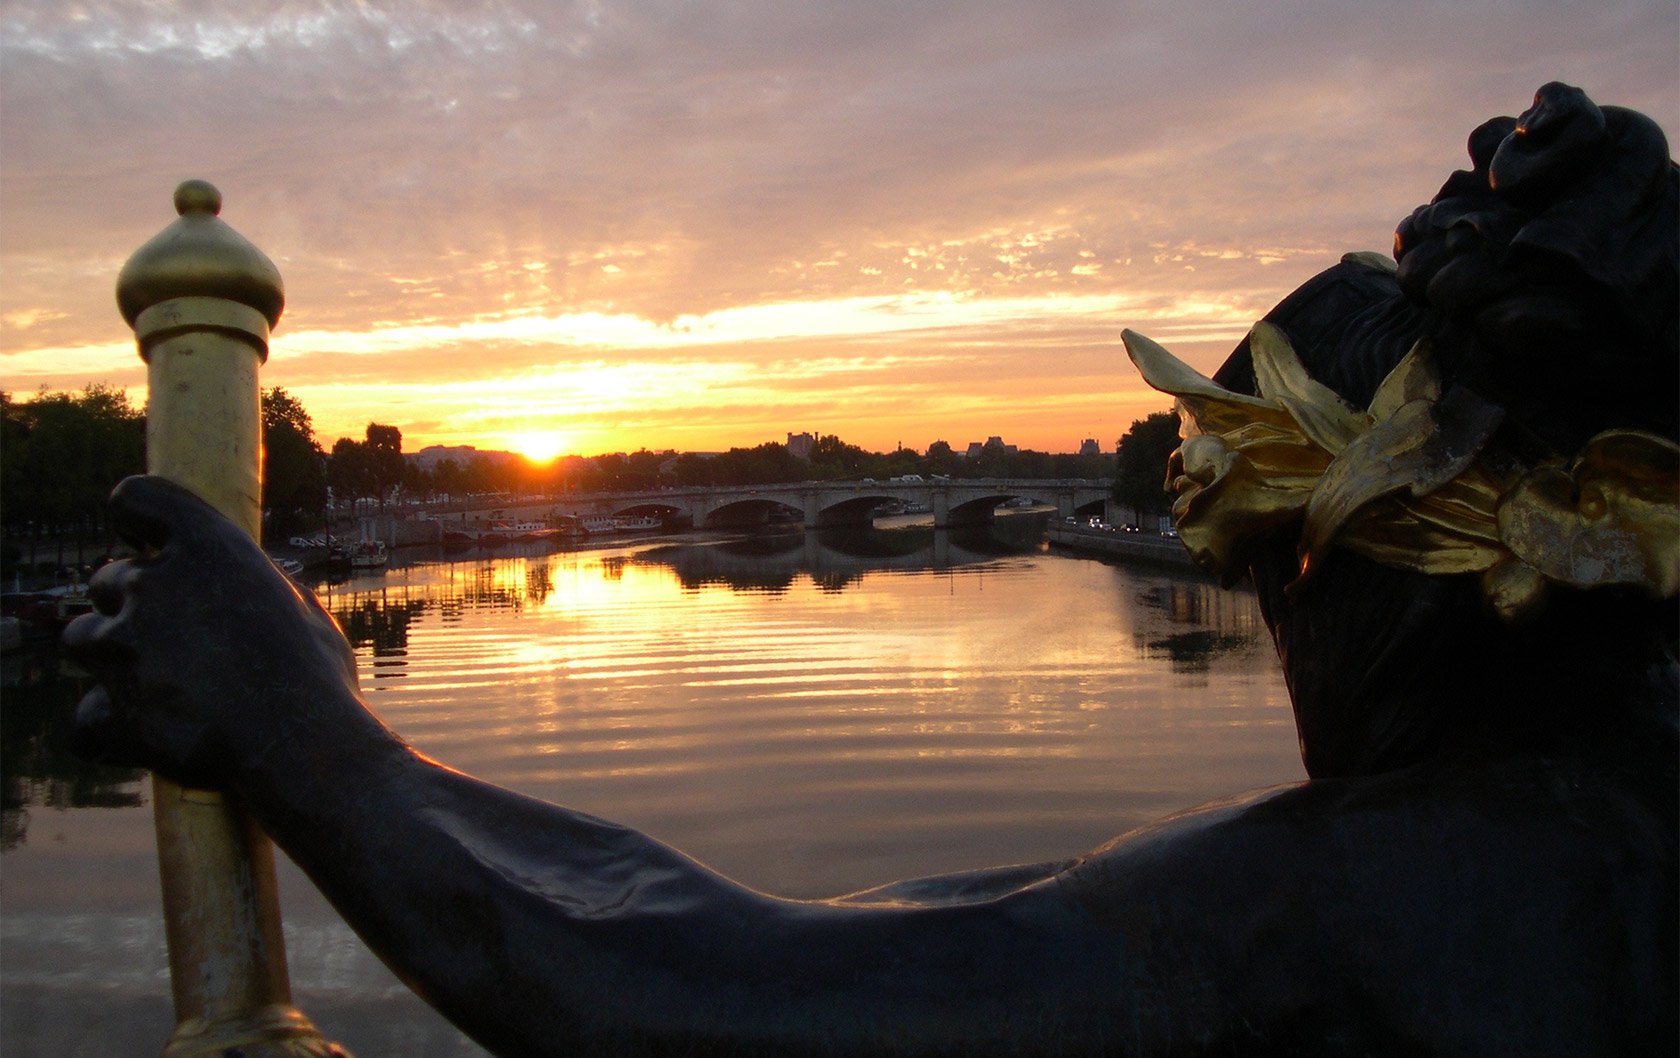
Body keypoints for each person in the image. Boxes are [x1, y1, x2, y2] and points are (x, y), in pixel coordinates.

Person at [66, 83, 1676, 1057]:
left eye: (1269, 571)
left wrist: (304, 734)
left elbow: (723, 997)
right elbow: (880, 925)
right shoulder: (1599, 817)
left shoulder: (1387, 890)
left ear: (1397, 557)